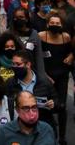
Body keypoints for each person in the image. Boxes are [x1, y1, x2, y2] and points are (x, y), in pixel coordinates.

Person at [37, 12, 72, 144]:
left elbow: (71, 51)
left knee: (61, 106)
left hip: (62, 75)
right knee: (46, 106)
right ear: (47, 24)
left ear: (61, 25)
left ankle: (62, 137)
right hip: (46, 76)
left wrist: (71, 57)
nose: (55, 25)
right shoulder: (41, 36)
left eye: (57, 23)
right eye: (52, 23)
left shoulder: (66, 37)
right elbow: (37, 57)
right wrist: (44, 76)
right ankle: (48, 134)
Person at [5, 50, 56, 130]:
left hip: (42, 127)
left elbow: (57, 102)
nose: (14, 67)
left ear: (28, 64)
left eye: (18, 64)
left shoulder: (44, 82)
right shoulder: (10, 83)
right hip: (18, 128)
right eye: (13, 64)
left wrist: (53, 104)